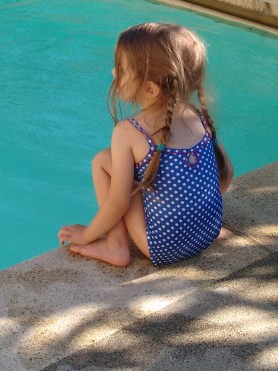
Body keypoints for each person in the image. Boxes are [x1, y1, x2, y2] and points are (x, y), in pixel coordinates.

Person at [58, 23, 235, 267]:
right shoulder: (198, 115)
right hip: (209, 232)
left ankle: (116, 246)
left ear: (151, 89)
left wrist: (86, 235)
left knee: (102, 161)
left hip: (160, 247)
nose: (113, 73)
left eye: (121, 69)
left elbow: (118, 202)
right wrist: (195, 211)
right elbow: (227, 172)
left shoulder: (129, 132)